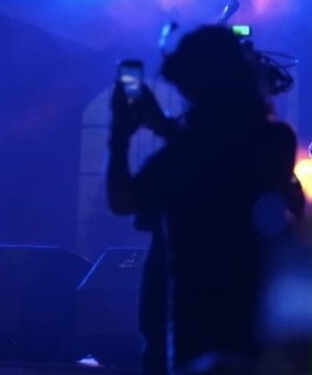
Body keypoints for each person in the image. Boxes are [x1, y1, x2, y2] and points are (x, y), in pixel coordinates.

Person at [106, 26, 304, 372]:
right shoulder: (275, 139)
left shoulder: (181, 156)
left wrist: (121, 134)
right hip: (252, 308)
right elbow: (220, 148)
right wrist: (162, 125)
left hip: (192, 313)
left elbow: (122, 199)